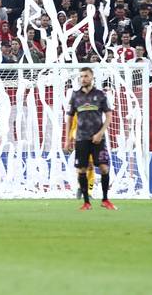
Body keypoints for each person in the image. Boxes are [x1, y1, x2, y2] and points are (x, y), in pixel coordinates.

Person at [63, 67, 116, 210]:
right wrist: (68, 139)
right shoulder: (75, 96)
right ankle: (86, 202)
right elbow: (69, 118)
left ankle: (105, 199)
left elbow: (109, 116)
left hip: (98, 139)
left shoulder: (100, 95)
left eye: (86, 76)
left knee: (104, 168)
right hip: (81, 138)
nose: (83, 79)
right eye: (81, 76)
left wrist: (101, 133)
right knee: (82, 169)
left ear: (92, 77)